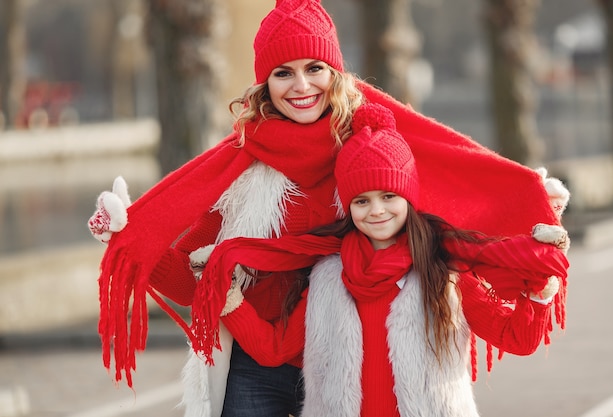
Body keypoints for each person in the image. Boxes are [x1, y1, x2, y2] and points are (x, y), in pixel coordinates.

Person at [88, 0, 570, 416]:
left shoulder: (373, 146)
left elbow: (456, 184)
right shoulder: (239, 169)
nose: (301, 86)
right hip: (255, 363)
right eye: (283, 73)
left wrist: (528, 210)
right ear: (264, 84)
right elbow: (197, 282)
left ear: (335, 73)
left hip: (352, 360)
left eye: (314, 68)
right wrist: (131, 236)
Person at [190, 104, 570, 416]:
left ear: (409, 197)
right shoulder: (328, 277)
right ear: (348, 206)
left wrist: (538, 291)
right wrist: (230, 302)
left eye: (389, 196)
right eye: (361, 200)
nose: (376, 211)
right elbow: (273, 349)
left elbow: (516, 338)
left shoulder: (441, 271)